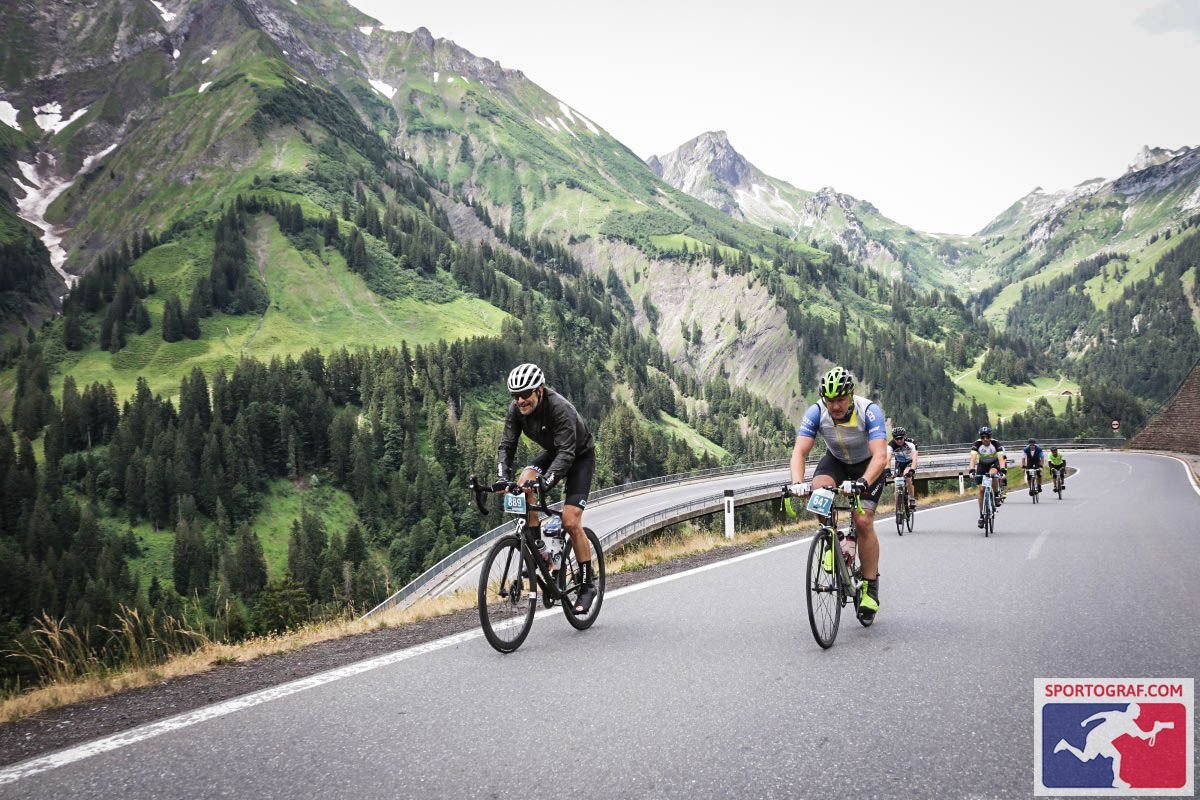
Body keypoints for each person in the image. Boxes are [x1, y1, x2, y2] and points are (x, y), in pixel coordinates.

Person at [496, 363, 598, 613]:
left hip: (579, 457)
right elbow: (507, 445)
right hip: (554, 453)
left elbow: (567, 453)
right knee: (523, 482)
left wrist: (546, 481)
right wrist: (502, 476)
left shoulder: (560, 408)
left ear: (539, 390)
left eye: (525, 394)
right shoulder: (516, 409)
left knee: (570, 521)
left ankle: (587, 584)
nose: (520, 400)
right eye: (515, 396)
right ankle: (539, 550)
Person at [788, 366, 888, 622]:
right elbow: (800, 452)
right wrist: (798, 482)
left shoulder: (869, 411)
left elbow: (880, 455)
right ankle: (832, 541)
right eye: (830, 400)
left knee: (863, 519)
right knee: (819, 493)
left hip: (868, 466)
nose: (835, 406)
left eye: (840, 400)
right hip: (836, 461)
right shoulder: (816, 412)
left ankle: (869, 587)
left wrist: (863, 481)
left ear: (851, 395)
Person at [969, 426, 1006, 528]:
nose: (985, 439)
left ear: (990, 437)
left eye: (987, 437)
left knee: (992, 473)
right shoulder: (977, 444)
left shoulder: (996, 444)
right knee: (981, 490)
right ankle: (981, 516)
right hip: (982, 465)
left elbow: (1001, 459)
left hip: (994, 463)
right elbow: (973, 459)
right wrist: (972, 470)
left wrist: (1003, 470)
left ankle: (997, 493)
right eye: (983, 437)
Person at [887, 427, 918, 512]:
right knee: (897, 481)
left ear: (904, 437)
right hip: (899, 463)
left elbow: (915, 458)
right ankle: (898, 505)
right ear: (894, 439)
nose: (899, 441)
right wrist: (887, 471)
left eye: (901, 438)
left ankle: (912, 499)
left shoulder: (911, 443)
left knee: (907, 477)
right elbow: (888, 458)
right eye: (897, 439)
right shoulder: (891, 445)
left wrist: (912, 470)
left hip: (909, 462)